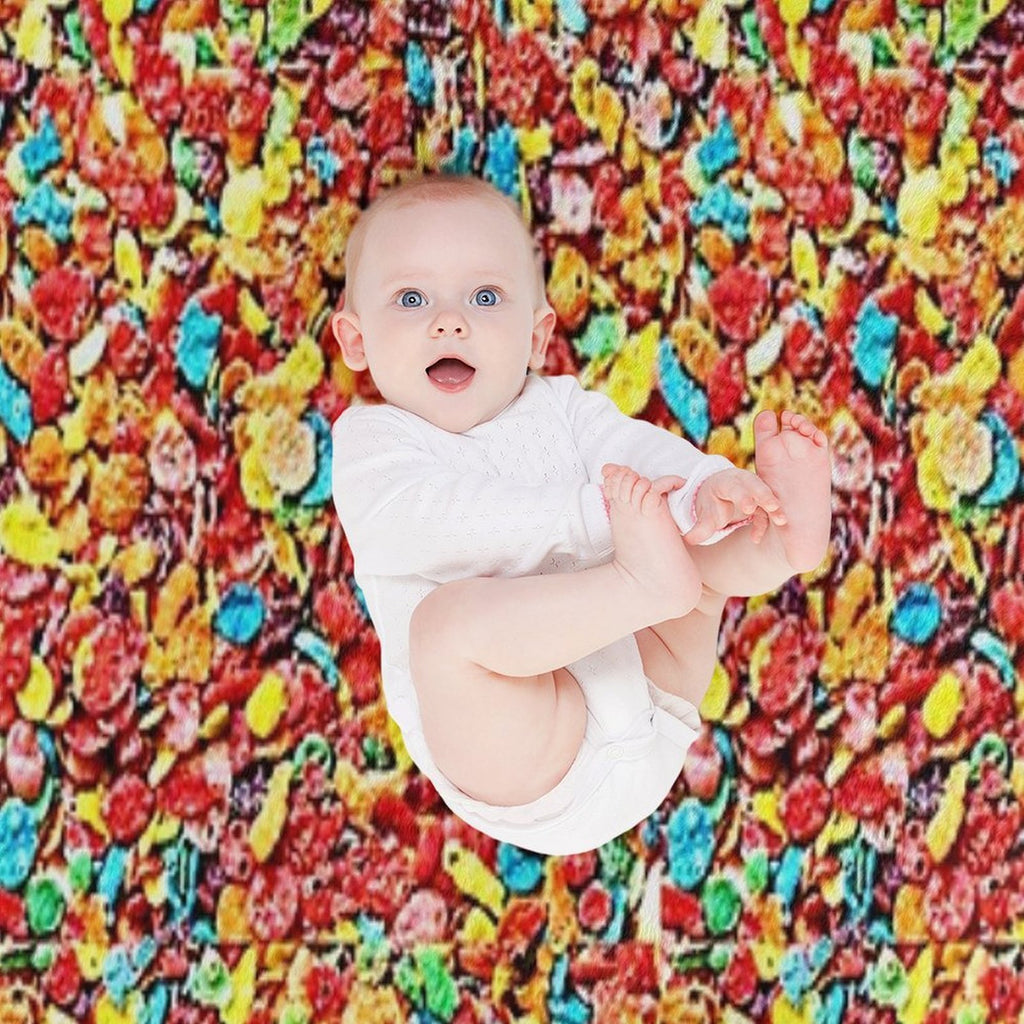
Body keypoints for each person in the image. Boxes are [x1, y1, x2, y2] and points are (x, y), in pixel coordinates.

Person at [330, 173, 832, 855]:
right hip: (532, 756)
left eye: (485, 297)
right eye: (411, 298)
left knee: (693, 551)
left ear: (536, 339)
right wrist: (594, 516)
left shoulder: (560, 408)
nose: (450, 322)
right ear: (356, 342)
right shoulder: (374, 444)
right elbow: (436, 524)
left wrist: (702, 487)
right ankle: (646, 583)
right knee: (443, 630)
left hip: (654, 691)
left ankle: (775, 541)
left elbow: (634, 451)